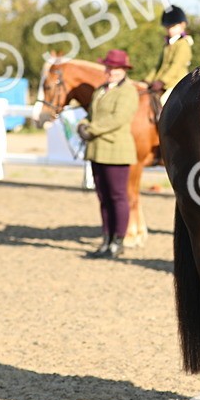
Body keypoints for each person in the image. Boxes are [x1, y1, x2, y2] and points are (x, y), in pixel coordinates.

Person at [77, 49, 139, 259]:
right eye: (109, 67)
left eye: (115, 68)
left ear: (123, 70)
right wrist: (83, 124)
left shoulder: (128, 92)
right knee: (103, 197)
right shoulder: (101, 90)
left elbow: (118, 119)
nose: (111, 71)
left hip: (116, 150)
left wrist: (91, 129)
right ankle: (106, 239)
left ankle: (118, 241)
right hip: (97, 150)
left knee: (117, 197)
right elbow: (90, 114)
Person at [144, 5, 194, 106]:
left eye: (173, 27)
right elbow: (159, 66)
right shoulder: (167, 45)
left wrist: (162, 81)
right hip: (163, 82)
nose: (170, 30)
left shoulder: (183, 44)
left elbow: (176, 66)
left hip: (177, 82)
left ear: (182, 25)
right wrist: (147, 80)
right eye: (167, 27)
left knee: (163, 102)